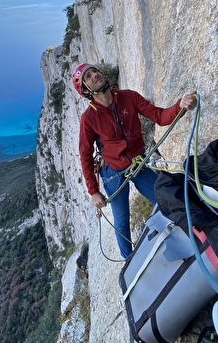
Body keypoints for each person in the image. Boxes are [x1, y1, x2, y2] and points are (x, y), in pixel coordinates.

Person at [72, 62, 197, 259]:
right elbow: (85, 155)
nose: (95, 75)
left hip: (138, 164)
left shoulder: (128, 97)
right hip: (113, 172)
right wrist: (93, 191)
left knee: (165, 200)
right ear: (86, 90)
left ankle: (192, 237)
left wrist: (180, 106)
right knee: (122, 221)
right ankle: (128, 262)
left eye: (95, 71)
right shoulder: (88, 119)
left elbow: (159, 116)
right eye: (88, 76)